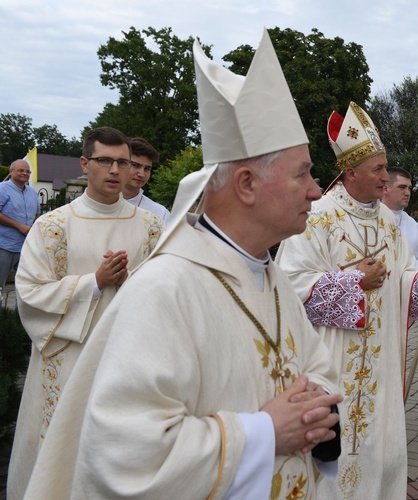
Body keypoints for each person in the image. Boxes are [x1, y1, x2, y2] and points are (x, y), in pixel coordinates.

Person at [21, 30, 342, 499]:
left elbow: (319, 367)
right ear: (247, 184)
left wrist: (315, 407)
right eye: (302, 174)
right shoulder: (166, 288)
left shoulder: (269, 276)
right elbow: (127, 456)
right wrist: (264, 433)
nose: (316, 190)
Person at [277, 101, 418, 498]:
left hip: (381, 360)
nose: (386, 178)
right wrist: (355, 280)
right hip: (333, 358)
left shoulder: (389, 221)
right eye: (378, 170)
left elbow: (404, 272)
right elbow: (291, 286)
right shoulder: (317, 217)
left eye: (386, 169)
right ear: (351, 172)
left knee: (377, 446)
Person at [7, 126, 164, 498]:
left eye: (123, 162)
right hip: (67, 362)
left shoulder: (153, 227)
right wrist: (93, 282)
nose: (115, 170)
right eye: (104, 160)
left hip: (130, 359)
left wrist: (129, 282)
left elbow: (170, 289)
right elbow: (29, 294)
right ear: (84, 163)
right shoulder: (52, 227)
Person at [0, 159, 39, 308]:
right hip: (4, 245)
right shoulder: (2, 189)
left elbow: (36, 217)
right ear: (11, 172)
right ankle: (2, 321)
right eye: (21, 170)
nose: (25, 173)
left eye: (27, 171)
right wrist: (19, 226)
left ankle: (19, 319)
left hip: (25, 247)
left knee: (25, 285)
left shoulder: (32, 193)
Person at [382, 167, 418, 271]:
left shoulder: (414, 226)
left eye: (409, 188)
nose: (407, 193)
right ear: (385, 189)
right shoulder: (371, 218)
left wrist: (405, 271)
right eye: (402, 187)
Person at [122, 137, 171, 223]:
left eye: (147, 169)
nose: (142, 174)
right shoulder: (98, 205)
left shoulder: (160, 214)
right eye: (135, 165)